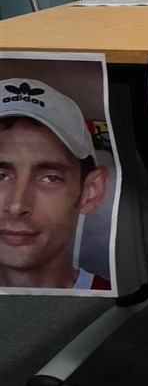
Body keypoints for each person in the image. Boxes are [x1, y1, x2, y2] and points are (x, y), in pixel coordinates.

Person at [0, 77, 112, 291]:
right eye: (0, 176)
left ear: (91, 191)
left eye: (51, 178)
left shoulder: (117, 306)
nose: (17, 206)